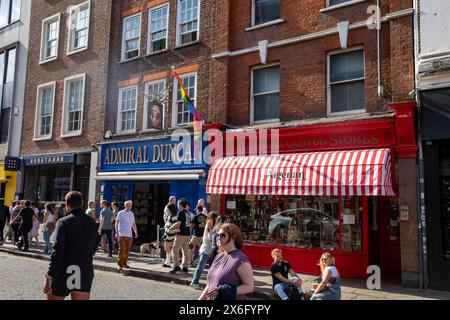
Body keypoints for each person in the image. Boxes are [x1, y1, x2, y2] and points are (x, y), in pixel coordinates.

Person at [43, 191, 97, 300]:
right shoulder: (92, 222)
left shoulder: (63, 222)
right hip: (84, 270)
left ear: (67, 204)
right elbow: (93, 248)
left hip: (63, 270)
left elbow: (58, 251)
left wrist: (50, 275)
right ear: (82, 203)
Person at [199, 223, 254, 300]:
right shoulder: (218, 256)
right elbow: (211, 284)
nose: (218, 238)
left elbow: (249, 287)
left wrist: (224, 291)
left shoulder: (241, 259)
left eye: (222, 235)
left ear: (233, 237)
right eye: (217, 235)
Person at [190, 211, 219, 289]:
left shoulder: (210, 224)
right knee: (202, 266)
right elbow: (210, 238)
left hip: (206, 248)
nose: (216, 219)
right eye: (215, 218)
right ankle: (195, 282)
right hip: (208, 249)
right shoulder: (210, 225)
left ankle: (207, 283)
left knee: (207, 267)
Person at [169, 199, 193, 274]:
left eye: (178, 204)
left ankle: (176, 267)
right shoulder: (188, 214)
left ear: (179, 205)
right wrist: (189, 236)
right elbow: (189, 225)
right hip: (187, 235)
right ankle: (185, 268)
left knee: (174, 250)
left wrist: (170, 228)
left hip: (180, 234)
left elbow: (178, 223)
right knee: (185, 252)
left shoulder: (180, 212)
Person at [115, 200, 138, 271]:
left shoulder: (131, 214)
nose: (129, 207)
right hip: (121, 234)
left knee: (127, 250)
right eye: (128, 205)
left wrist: (136, 232)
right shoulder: (120, 213)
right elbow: (116, 223)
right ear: (125, 206)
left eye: (130, 205)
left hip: (129, 235)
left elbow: (133, 224)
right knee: (122, 249)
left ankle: (124, 263)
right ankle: (119, 264)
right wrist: (117, 233)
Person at [190, 199, 208, 265]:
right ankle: (200, 262)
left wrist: (189, 233)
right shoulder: (206, 217)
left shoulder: (196, 216)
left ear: (198, 210)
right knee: (202, 250)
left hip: (196, 235)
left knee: (190, 247)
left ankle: (191, 261)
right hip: (202, 235)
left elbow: (191, 225)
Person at [162, 196, 178, 268]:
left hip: (169, 230)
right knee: (168, 247)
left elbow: (164, 217)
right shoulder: (169, 207)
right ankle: (168, 261)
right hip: (169, 230)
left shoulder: (167, 207)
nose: (175, 201)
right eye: (174, 200)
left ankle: (169, 262)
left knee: (168, 247)